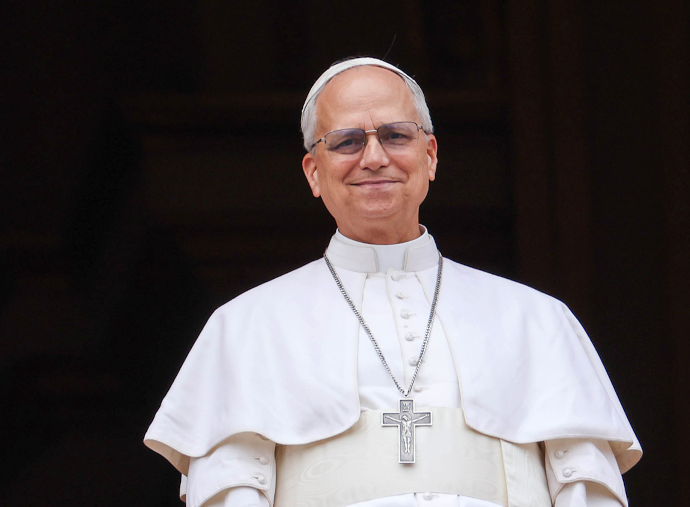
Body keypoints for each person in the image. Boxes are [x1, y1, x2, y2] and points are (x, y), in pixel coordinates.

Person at [144, 57, 640, 507]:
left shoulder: (536, 319)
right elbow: (230, 492)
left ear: (430, 155)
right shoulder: (247, 326)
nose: (375, 157)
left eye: (396, 136)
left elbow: (585, 487)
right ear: (314, 173)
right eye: (347, 142)